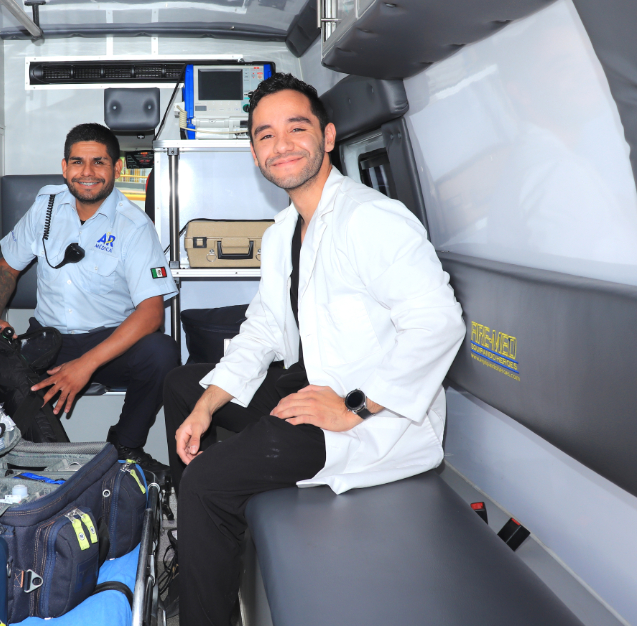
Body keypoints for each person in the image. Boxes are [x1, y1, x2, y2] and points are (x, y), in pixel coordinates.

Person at [163, 73, 465, 626]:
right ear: (254, 151)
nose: (280, 145)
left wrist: (354, 407)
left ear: (326, 137)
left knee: (205, 483)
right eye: (265, 135)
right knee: (183, 386)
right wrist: (205, 407)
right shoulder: (283, 232)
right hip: (310, 384)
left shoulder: (370, 219)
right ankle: (198, 553)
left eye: (295, 128)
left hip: (371, 421)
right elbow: (263, 330)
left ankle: (205, 599)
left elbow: (439, 323)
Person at [0, 123, 179, 481]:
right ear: (64, 167)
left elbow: (152, 314)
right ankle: (46, 462)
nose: (87, 172)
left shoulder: (134, 226)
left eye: (98, 162)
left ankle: (126, 447)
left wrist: (85, 365)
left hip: (109, 343)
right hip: (50, 341)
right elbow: (7, 267)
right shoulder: (45, 208)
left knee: (161, 351)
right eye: (77, 162)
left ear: (116, 168)